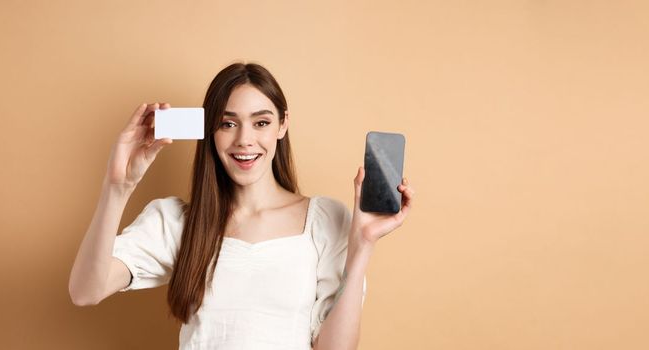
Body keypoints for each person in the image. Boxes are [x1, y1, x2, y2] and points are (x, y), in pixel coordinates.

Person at [68, 62, 414, 350]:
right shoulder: (178, 222)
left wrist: (362, 246)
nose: (244, 140)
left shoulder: (325, 221)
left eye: (261, 122)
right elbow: (86, 291)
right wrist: (118, 187)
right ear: (210, 131)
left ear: (283, 124)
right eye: (227, 123)